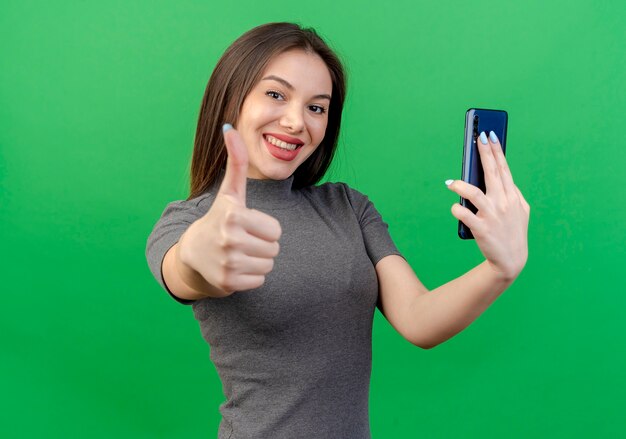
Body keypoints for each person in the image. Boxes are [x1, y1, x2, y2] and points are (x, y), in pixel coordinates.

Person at [145, 22, 529, 439]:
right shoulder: (189, 221)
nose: (295, 122)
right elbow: (184, 269)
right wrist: (200, 255)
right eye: (276, 94)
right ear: (231, 99)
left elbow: (420, 320)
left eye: (317, 107)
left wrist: (499, 269)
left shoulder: (348, 207)